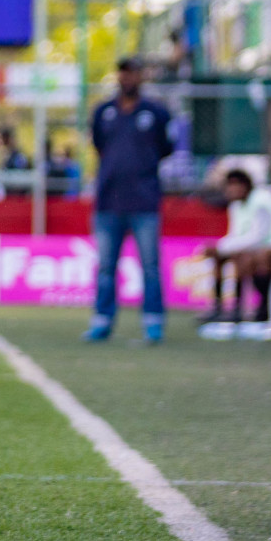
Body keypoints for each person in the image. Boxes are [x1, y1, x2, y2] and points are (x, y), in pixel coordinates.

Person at [84, 57, 174, 343]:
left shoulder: (157, 113)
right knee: (107, 267)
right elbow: (98, 145)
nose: (128, 78)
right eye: (123, 72)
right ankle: (102, 320)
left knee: (150, 266)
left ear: (141, 76)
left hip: (144, 202)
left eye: (133, 72)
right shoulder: (103, 112)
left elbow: (165, 148)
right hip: (108, 200)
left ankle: (153, 322)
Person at [198, 168, 271, 334]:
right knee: (218, 257)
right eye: (229, 186)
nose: (232, 190)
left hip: (264, 245)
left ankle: (242, 308)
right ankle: (218, 307)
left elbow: (258, 235)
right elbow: (233, 233)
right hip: (246, 246)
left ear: (246, 186)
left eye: (236, 185)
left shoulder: (260, 202)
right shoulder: (234, 204)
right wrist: (218, 247)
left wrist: (224, 247)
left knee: (241, 257)